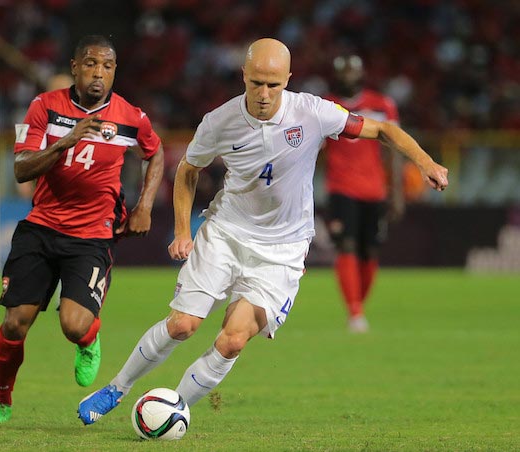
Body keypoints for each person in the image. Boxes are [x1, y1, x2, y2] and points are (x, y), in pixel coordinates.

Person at [76, 37, 448, 425]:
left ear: (288, 79)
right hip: (227, 232)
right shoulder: (220, 120)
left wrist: (426, 163)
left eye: (274, 84)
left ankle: (174, 409)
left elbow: (384, 130)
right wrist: (183, 231)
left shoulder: (314, 112)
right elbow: (188, 170)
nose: (265, 93)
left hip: (283, 249)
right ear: (244, 76)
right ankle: (116, 388)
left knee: (233, 339)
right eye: (256, 83)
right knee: (184, 324)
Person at [0, 35, 165, 423]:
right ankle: (2, 400)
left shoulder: (131, 116)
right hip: (41, 228)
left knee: (73, 325)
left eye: (108, 66)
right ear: (75, 66)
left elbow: (156, 152)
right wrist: (66, 140)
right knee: (15, 323)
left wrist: (145, 206)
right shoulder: (44, 107)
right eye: (92, 64)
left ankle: (88, 339)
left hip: (92, 235)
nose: (99, 73)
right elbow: (21, 168)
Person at [323, 54, 403, 333]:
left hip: (375, 190)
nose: (347, 76)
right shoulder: (326, 106)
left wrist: (397, 192)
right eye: (342, 71)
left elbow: (395, 148)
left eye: (352, 71)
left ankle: (358, 306)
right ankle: (354, 311)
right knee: (346, 245)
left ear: (361, 73)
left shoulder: (381, 105)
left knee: (370, 252)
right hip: (341, 189)